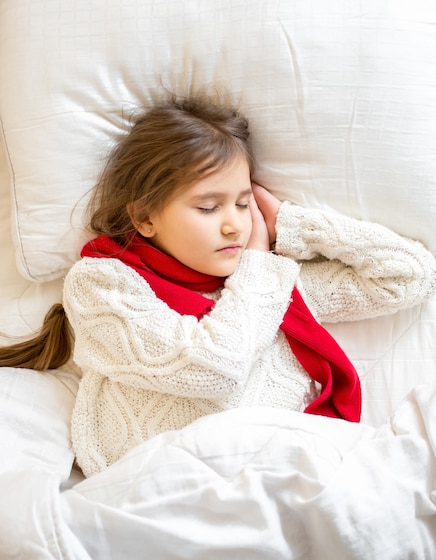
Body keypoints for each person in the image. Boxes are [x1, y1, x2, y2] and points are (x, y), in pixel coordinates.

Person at [1, 94, 435, 477]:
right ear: (145, 217)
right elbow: (214, 369)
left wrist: (288, 221)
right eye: (209, 207)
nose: (234, 225)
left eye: (243, 203)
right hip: (159, 486)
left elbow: (408, 275)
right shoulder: (104, 284)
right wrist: (259, 263)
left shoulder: (277, 285)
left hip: (279, 477)